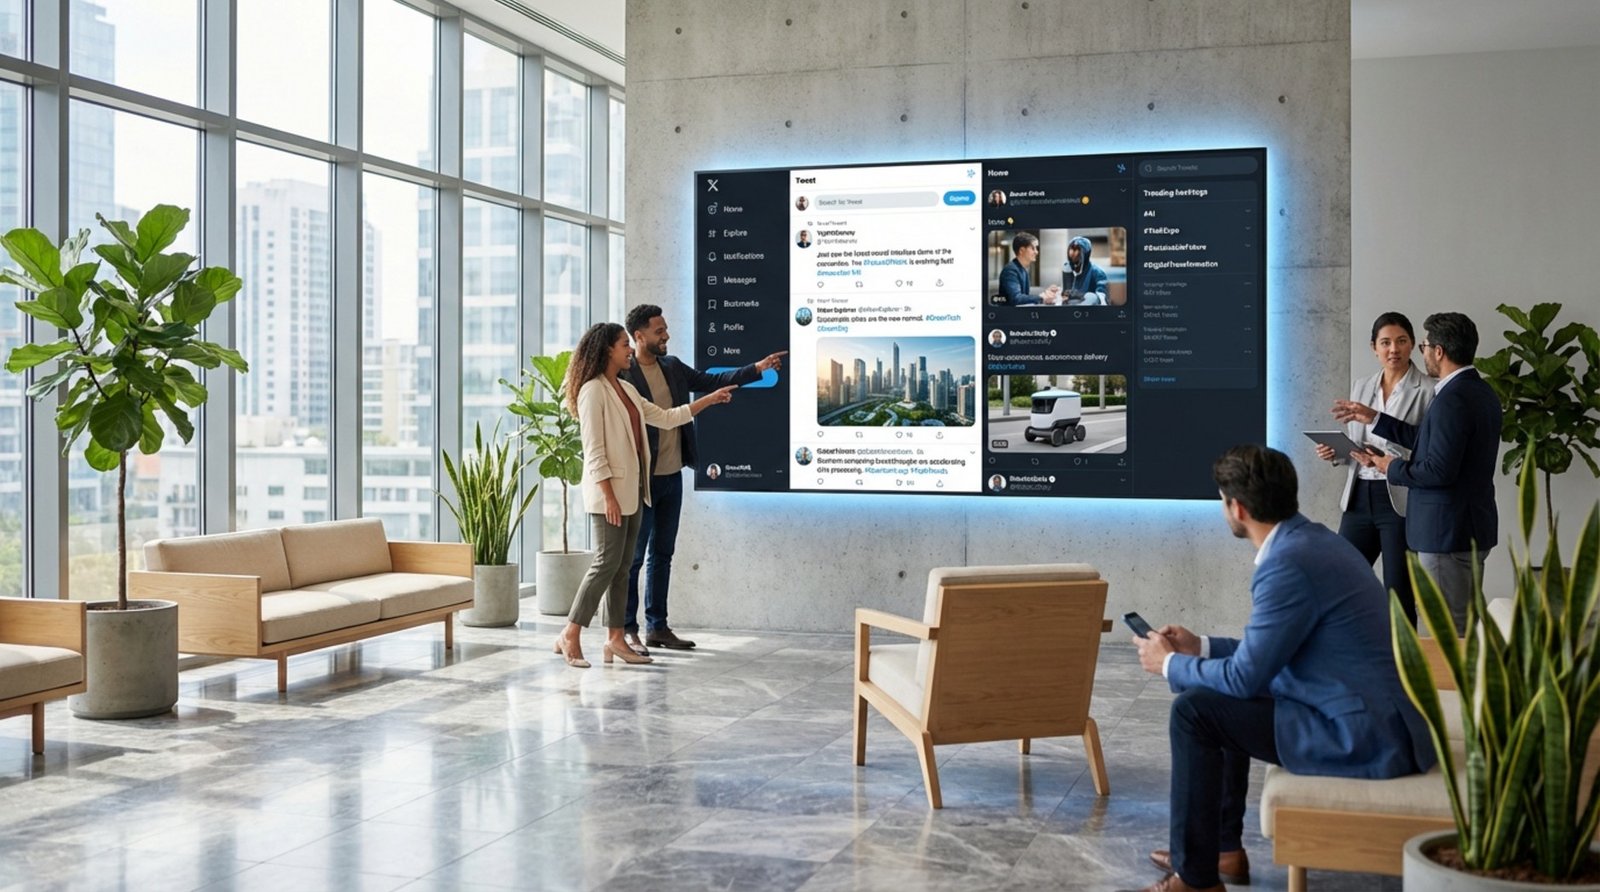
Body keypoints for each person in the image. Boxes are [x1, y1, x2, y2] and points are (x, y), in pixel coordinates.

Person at [1123, 445, 1433, 892]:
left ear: (1239, 508)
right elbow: (1265, 653)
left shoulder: (1286, 563)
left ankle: (1196, 879)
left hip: (1360, 734)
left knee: (1195, 712)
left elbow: (1245, 677)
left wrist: (1170, 663)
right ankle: (1221, 851)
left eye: (1222, 500)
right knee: (1215, 703)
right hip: (1366, 713)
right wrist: (1201, 646)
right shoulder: (1313, 540)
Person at [554, 323, 735, 669]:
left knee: (622, 568)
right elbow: (594, 451)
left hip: (636, 493)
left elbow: (666, 418)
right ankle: (571, 633)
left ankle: (615, 639)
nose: (629, 351)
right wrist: (607, 496)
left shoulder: (625, 388)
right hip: (610, 494)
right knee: (605, 564)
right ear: (607, 350)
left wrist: (708, 400)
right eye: (624, 345)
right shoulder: (592, 391)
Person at [621, 304, 787, 653]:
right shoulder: (624, 377)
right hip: (641, 481)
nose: (665, 334)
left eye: (665, 328)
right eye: (658, 330)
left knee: (662, 555)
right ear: (639, 336)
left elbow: (711, 381)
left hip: (671, 476)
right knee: (634, 559)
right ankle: (626, 630)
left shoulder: (672, 366)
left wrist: (756, 368)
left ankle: (657, 627)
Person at [1333, 312, 1501, 634]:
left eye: (1420, 345)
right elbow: (1427, 441)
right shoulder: (1479, 391)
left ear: (1438, 351)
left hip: (1445, 530)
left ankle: (1438, 682)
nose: (1421, 353)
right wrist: (1375, 419)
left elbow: (1437, 470)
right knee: (1460, 624)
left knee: (1449, 631)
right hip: (1465, 525)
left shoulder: (1450, 398)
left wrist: (1390, 466)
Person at [1314, 312, 1434, 627]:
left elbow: (1425, 446)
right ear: (1374, 348)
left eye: (1401, 341)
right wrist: (1336, 454)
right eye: (1385, 343)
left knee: (1398, 591)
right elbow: (1356, 441)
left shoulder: (1429, 389)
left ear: (1413, 346)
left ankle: (1402, 667)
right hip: (1358, 497)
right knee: (1340, 579)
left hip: (1399, 498)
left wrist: (1384, 455)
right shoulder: (1362, 386)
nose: (1393, 349)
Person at [996, 233, 1060, 306]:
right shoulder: (1010, 271)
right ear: (1022, 250)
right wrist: (1041, 298)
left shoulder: (1022, 269)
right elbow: (1016, 298)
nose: (1036, 252)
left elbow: (1024, 296)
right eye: (1033, 248)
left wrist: (1045, 293)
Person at [1060, 236, 1110, 305]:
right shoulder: (1067, 269)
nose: (1072, 252)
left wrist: (1083, 295)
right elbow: (1064, 293)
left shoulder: (1097, 272)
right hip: (1069, 309)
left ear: (1085, 253)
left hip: (1090, 311)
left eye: (1077, 249)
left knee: (1091, 297)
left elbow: (1102, 298)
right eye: (1071, 248)